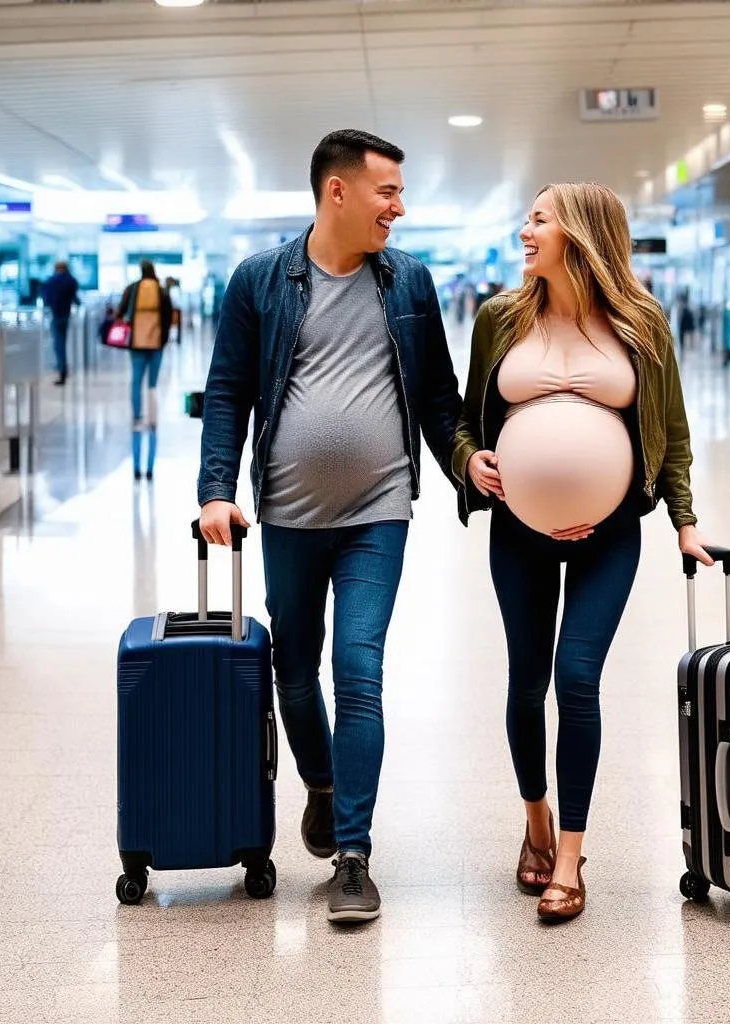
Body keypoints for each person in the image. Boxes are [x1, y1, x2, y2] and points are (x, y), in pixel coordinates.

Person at [196, 129, 461, 924]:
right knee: (293, 669)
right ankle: (321, 782)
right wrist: (216, 490)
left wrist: (467, 464)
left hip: (379, 510)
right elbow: (226, 392)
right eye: (387, 192)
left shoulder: (409, 282)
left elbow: (440, 395)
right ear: (337, 192)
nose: (399, 208)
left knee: (359, 668)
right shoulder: (260, 280)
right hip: (288, 511)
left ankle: (353, 855)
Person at [452, 182, 713, 923]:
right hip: (519, 530)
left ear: (581, 233)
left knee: (577, 678)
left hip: (611, 532)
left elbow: (676, 431)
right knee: (527, 679)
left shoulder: (640, 323)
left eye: (538, 220)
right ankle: (534, 818)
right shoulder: (499, 319)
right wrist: (472, 463)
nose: (525, 232)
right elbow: (466, 424)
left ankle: (569, 854)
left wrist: (685, 522)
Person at [118, 261, 173, 482]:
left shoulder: (132, 288)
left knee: (136, 379)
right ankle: (152, 415)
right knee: (152, 383)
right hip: (156, 343)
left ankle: (137, 414)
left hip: (136, 343)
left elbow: (122, 311)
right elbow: (168, 316)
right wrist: (163, 339)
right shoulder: (161, 291)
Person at [42, 260, 80, 386]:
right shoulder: (71, 280)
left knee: (58, 345)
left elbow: (46, 299)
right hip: (66, 315)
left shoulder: (51, 281)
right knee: (62, 344)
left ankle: (62, 370)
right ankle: (63, 369)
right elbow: (75, 298)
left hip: (55, 316)